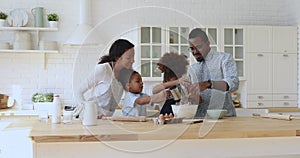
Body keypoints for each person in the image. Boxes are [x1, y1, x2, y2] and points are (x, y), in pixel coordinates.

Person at [74, 39, 135, 118]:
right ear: (117, 58)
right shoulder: (103, 69)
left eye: (133, 56)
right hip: (89, 118)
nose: (133, 61)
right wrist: (88, 111)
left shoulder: (125, 74)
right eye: (128, 58)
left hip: (106, 121)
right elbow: (78, 91)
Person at [187, 28, 239, 117]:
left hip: (224, 119)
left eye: (198, 47)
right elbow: (196, 99)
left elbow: (233, 83)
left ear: (208, 43)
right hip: (200, 119)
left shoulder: (224, 59)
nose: (195, 52)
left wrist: (208, 84)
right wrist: (192, 98)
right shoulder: (192, 69)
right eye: (192, 48)